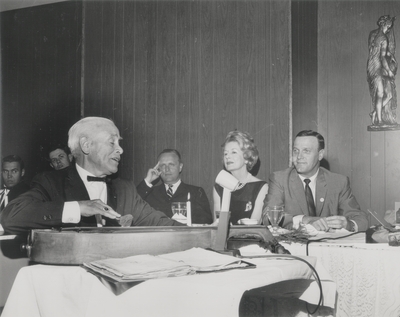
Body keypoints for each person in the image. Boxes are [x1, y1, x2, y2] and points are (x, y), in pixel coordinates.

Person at [0, 117, 184, 236]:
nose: (120, 149)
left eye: (119, 143)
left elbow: (162, 223)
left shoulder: (125, 188)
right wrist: (78, 207)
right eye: (112, 142)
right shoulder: (50, 182)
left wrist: (207, 233)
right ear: (86, 146)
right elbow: (11, 217)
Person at [263, 130, 369, 232]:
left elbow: (361, 220)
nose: (299, 156)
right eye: (296, 151)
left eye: (306, 151)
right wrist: (306, 220)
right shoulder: (279, 179)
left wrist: (348, 224)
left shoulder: (338, 182)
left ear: (320, 155)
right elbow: (268, 217)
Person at [136, 149, 213, 224]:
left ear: (180, 167)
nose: (167, 169)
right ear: (158, 169)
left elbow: (206, 221)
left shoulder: (196, 192)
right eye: (163, 165)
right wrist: (148, 180)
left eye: (171, 164)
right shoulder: (150, 193)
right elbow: (132, 205)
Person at [213, 130, 268, 224]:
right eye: (225, 153)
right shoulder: (218, 187)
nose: (227, 157)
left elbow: (254, 226)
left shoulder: (261, 187)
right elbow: (217, 225)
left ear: (247, 158)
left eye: (233, 152)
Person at [367, 15, 398, 126]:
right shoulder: (384, 38)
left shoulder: (372, 34)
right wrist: (389, 71)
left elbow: (373, 50)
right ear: (383, 24)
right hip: (378, 67)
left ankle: (375, 114)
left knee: (384, 93)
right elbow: (383, 57)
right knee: (380, 93)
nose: (388, 29)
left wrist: (387, 53)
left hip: (371, 66)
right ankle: (379, 120)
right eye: (388, 27)